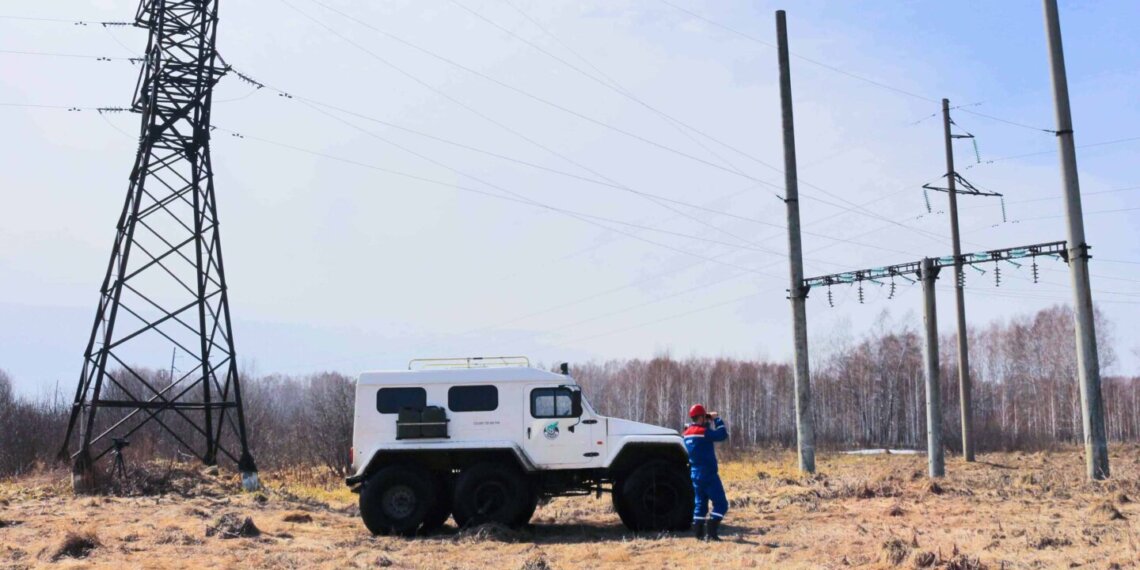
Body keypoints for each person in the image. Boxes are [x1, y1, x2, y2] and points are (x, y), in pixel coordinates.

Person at [682, 404, 728, 541]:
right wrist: (717, 419)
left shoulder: (686, 434)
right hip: (708, 474)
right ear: (701, 417)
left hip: (695, 474)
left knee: (700, 504)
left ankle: (699, 534)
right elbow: (722, 435)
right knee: (721, 504)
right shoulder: (703, 432)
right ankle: (712, 532)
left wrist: (705, 420)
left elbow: (699, 433)